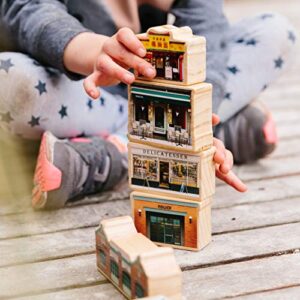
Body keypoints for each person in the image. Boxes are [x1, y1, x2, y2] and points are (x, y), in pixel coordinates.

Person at [0, 0, 296, 209]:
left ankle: (115, 155)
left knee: (275, 32)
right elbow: (28, 10)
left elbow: (208, 37)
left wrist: (196, 122)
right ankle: (179, 142)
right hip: (79, 86)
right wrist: (94, 51)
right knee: (8, 79)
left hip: (158, 97)